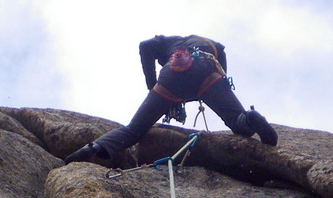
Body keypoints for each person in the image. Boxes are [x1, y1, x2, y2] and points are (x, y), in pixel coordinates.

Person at [65, 34, 278, 164]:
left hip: (170, 79)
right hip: (208, 71)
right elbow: (221, 52)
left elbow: (144, 46)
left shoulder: (167, 42)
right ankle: (251, 118)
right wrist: (220, 82)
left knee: (134, 130)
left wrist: (152, 84)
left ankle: (92, 149)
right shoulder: (207, 43)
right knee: (236, 121)